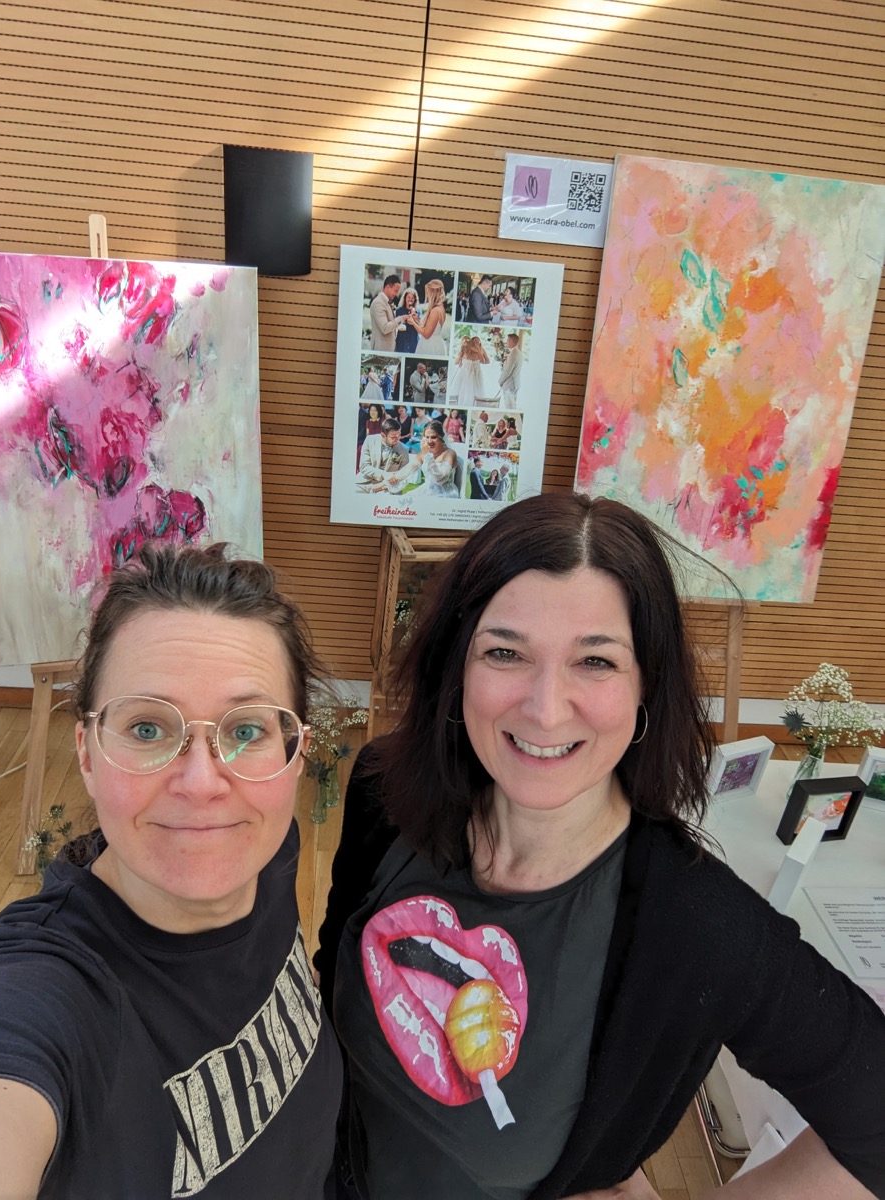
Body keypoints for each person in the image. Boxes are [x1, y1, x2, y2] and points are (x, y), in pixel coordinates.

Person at [315, 492, 885, 1200]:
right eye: (504, 652)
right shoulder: (385, 791)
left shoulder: (699, 926)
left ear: (646, 684)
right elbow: (332, 973)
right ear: (456, 665)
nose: (545, 709)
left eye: (595, 661)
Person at [0, 542, 342, 1199]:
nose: (202, 785)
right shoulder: (42, 992)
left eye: (246, 731)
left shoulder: (265, 851)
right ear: (86, 753)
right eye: (148, 729)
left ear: (294, 756)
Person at [384, 420, 459, 498]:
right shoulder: (424, 453)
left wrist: (428, 455)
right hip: (429, 490)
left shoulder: (449, 453)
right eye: (427, 437)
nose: (429, 441)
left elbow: (438, 479)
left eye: (433, 437)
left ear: (441, 437)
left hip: (445, 494)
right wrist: (388, 482)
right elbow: (406, 471)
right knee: (405, 499)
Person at [356, 417, 411, 491]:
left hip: (386, 486)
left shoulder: (404, 450)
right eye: (393, 437)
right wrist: (384, 474)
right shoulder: (369, 440)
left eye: (399, 435)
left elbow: (403, 474)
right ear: (383, 435)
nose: (398, 439)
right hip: (364, 482)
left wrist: (385, 484)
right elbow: (364, 466)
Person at [414, 279, 449, 356]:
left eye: (428, 292)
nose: (427, 295)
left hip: (430, 344)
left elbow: (426, 334)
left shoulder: (435, 311)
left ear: (433, 292)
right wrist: (417, 320)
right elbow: (429, 328)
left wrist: (413, 323)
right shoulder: (441, 308)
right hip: (436, 342)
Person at [368, 275, 403, 351]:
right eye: (396, 291)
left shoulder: (386, 302)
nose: (397, 294)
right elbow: (385, 328)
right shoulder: (378, 303)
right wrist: (401, 318)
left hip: (388, 349)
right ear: (387, 287)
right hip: (381, 349)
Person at [454, 335, 490, 406]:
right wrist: (459, 357)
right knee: (465, 390)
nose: (477, 343)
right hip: (466, 374)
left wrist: (479, 352)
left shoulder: (481, 350)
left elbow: (485, 361)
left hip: (476, 374)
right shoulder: (465, 350)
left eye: (478, 342)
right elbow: (456, 362)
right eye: (475, 341)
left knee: (476, 390)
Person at [499, 332, 522, 409]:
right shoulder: (519, 353)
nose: (506, 342)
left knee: (509, 406)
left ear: (512, 341)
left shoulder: (513, 354)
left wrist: (500, 381)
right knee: (512, 405)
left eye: (508, 340)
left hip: (510, 384)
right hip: (515, 383)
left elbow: (507, 371)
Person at [394, 288, 420, 354]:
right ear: (405, 298)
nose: (410, 299)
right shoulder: (399, 310)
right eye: (408, 297)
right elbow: (396, 324)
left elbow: (420, 324)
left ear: (415, 300)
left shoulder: (417, 311)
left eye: (412, 298)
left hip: (413, 339)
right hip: (402, 339)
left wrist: (415, 317)